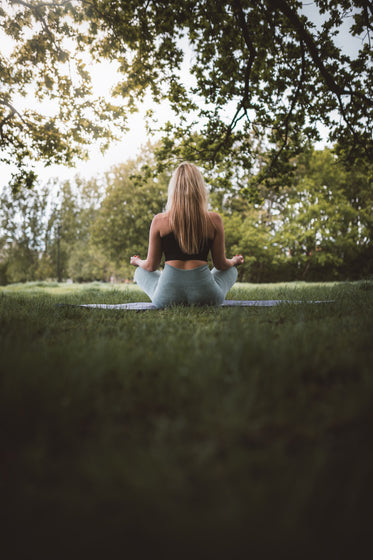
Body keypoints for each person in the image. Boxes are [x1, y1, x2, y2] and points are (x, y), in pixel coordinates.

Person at [130, 162, 244, 308]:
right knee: (231, 270)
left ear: (173, 190)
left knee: (141, 272)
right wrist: (234, 261)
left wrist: (137, 262)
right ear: (199, 189)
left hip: (166, 299)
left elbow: (151, 266)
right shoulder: (214, 220)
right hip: (207, 298)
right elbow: (221, 265)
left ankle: (166, 288)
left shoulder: (159, 220)